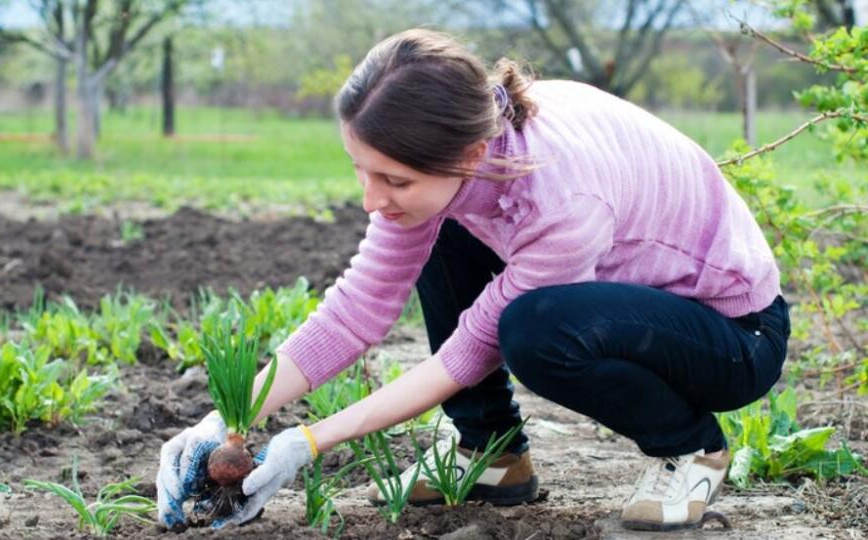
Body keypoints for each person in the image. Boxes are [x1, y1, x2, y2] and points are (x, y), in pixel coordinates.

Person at [156, 29, 790, 532]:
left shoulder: (562, 200)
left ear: (467, 156)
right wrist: (227, 419)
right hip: (631, 303)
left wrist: (307, 441)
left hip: (731, 336)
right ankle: (494, 455)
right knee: (442, 223)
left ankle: (691, 447)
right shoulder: (461, 149)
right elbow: (357, 311)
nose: (372, 199)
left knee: (535, 330)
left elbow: (467, 353)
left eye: (393, 180)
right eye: (361, 170)